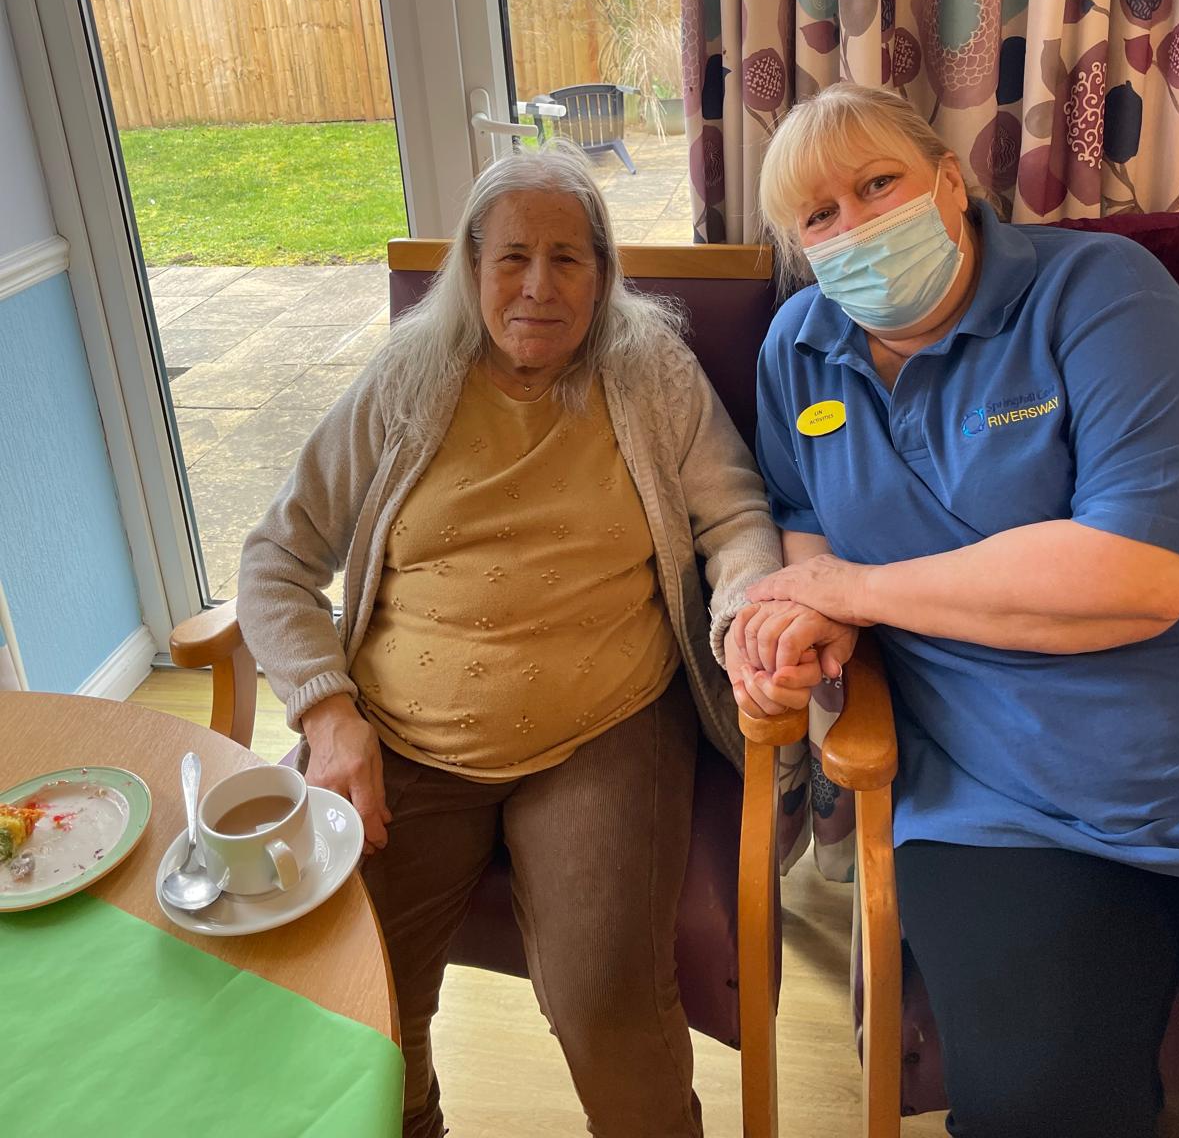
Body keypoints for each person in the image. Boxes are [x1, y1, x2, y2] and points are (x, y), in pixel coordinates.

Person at [237, 143, 780, 1138]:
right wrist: (326, 712)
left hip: (604, 727)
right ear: (472, 268)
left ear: (604, 273)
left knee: (606, 1000)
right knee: (356, 995)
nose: (539, 286)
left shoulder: (650, 370)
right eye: (513, 258)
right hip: (399, 736)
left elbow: (735, 517)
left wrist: (745, 610)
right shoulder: (408, 377)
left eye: (568, 258)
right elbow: (278, 556)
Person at [723, 83, 1179, 1138]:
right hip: (998, 801)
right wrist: (805, 629)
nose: (856, 226)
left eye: (877, 184)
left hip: (1174, 740)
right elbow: (807, 531)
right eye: (819, 215)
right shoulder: (796, 350)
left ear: (950, 180)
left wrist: (858, 592)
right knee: (1039, 1110)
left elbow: (1148, 570)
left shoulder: (1098, 293)